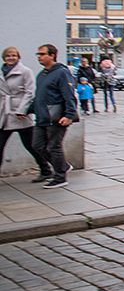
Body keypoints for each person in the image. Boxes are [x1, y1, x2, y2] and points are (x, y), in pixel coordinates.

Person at [0, 47, 50, 182]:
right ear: (4, 58)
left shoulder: (25, 71)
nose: (11, 58)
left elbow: (30, 92)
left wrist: (23, 110)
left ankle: (46, 170)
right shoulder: (0, 72)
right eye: (8, 56)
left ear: (18, 57)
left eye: (14, 55)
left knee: (31, 145)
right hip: (4, 114)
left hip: (20, 114)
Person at [31, 44, 77, 189]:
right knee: (37, 145)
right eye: (38, 54)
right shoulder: (42, 74)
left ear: (52, 55)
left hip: (56, 117)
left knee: (53, 147)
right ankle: (62, 166)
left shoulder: (62, 73)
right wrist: (27, 110)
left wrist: (69, 115)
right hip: (42, 117)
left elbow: (69, 95)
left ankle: (60, 177)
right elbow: (39, 97)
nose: (39, 57)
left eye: (42, 54)